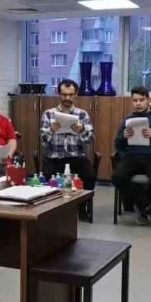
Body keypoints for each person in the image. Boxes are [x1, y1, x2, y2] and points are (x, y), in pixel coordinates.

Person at [112, 86, 151, 226]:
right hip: (132, 155)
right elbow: (117, 144)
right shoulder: (128, 119)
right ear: (132, 101)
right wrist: (124, 137)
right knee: (117, 177)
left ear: (148, 100)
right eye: (135, 101)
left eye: (141, 100)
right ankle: (146, 205)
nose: (138, 103)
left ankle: (144, 204)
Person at [40, 79, 96, 219]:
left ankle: (81, 207)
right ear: (59, 94)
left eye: (71, 95)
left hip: (76, 156)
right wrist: (51, 130)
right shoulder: (49, 114)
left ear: (75, 94)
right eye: (64, 94)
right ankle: (51, 209)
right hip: (54, 157)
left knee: (89, 175)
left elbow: (90, 139)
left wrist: (81, 130)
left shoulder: (82, 114)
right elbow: (43, 140)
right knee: (47, 176)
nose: (67, 98)